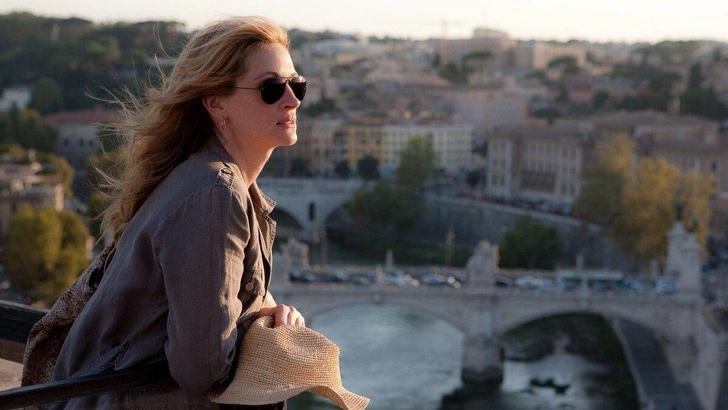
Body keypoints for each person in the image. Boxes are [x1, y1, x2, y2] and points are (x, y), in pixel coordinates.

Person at [51, 16, 307, 408]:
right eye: (271, 88)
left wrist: (265, 309)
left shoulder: (203, 179)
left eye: (296, 85)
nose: (292, 100)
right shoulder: (214, 194)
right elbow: (202, 370)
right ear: (215, 102)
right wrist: (265, 328)